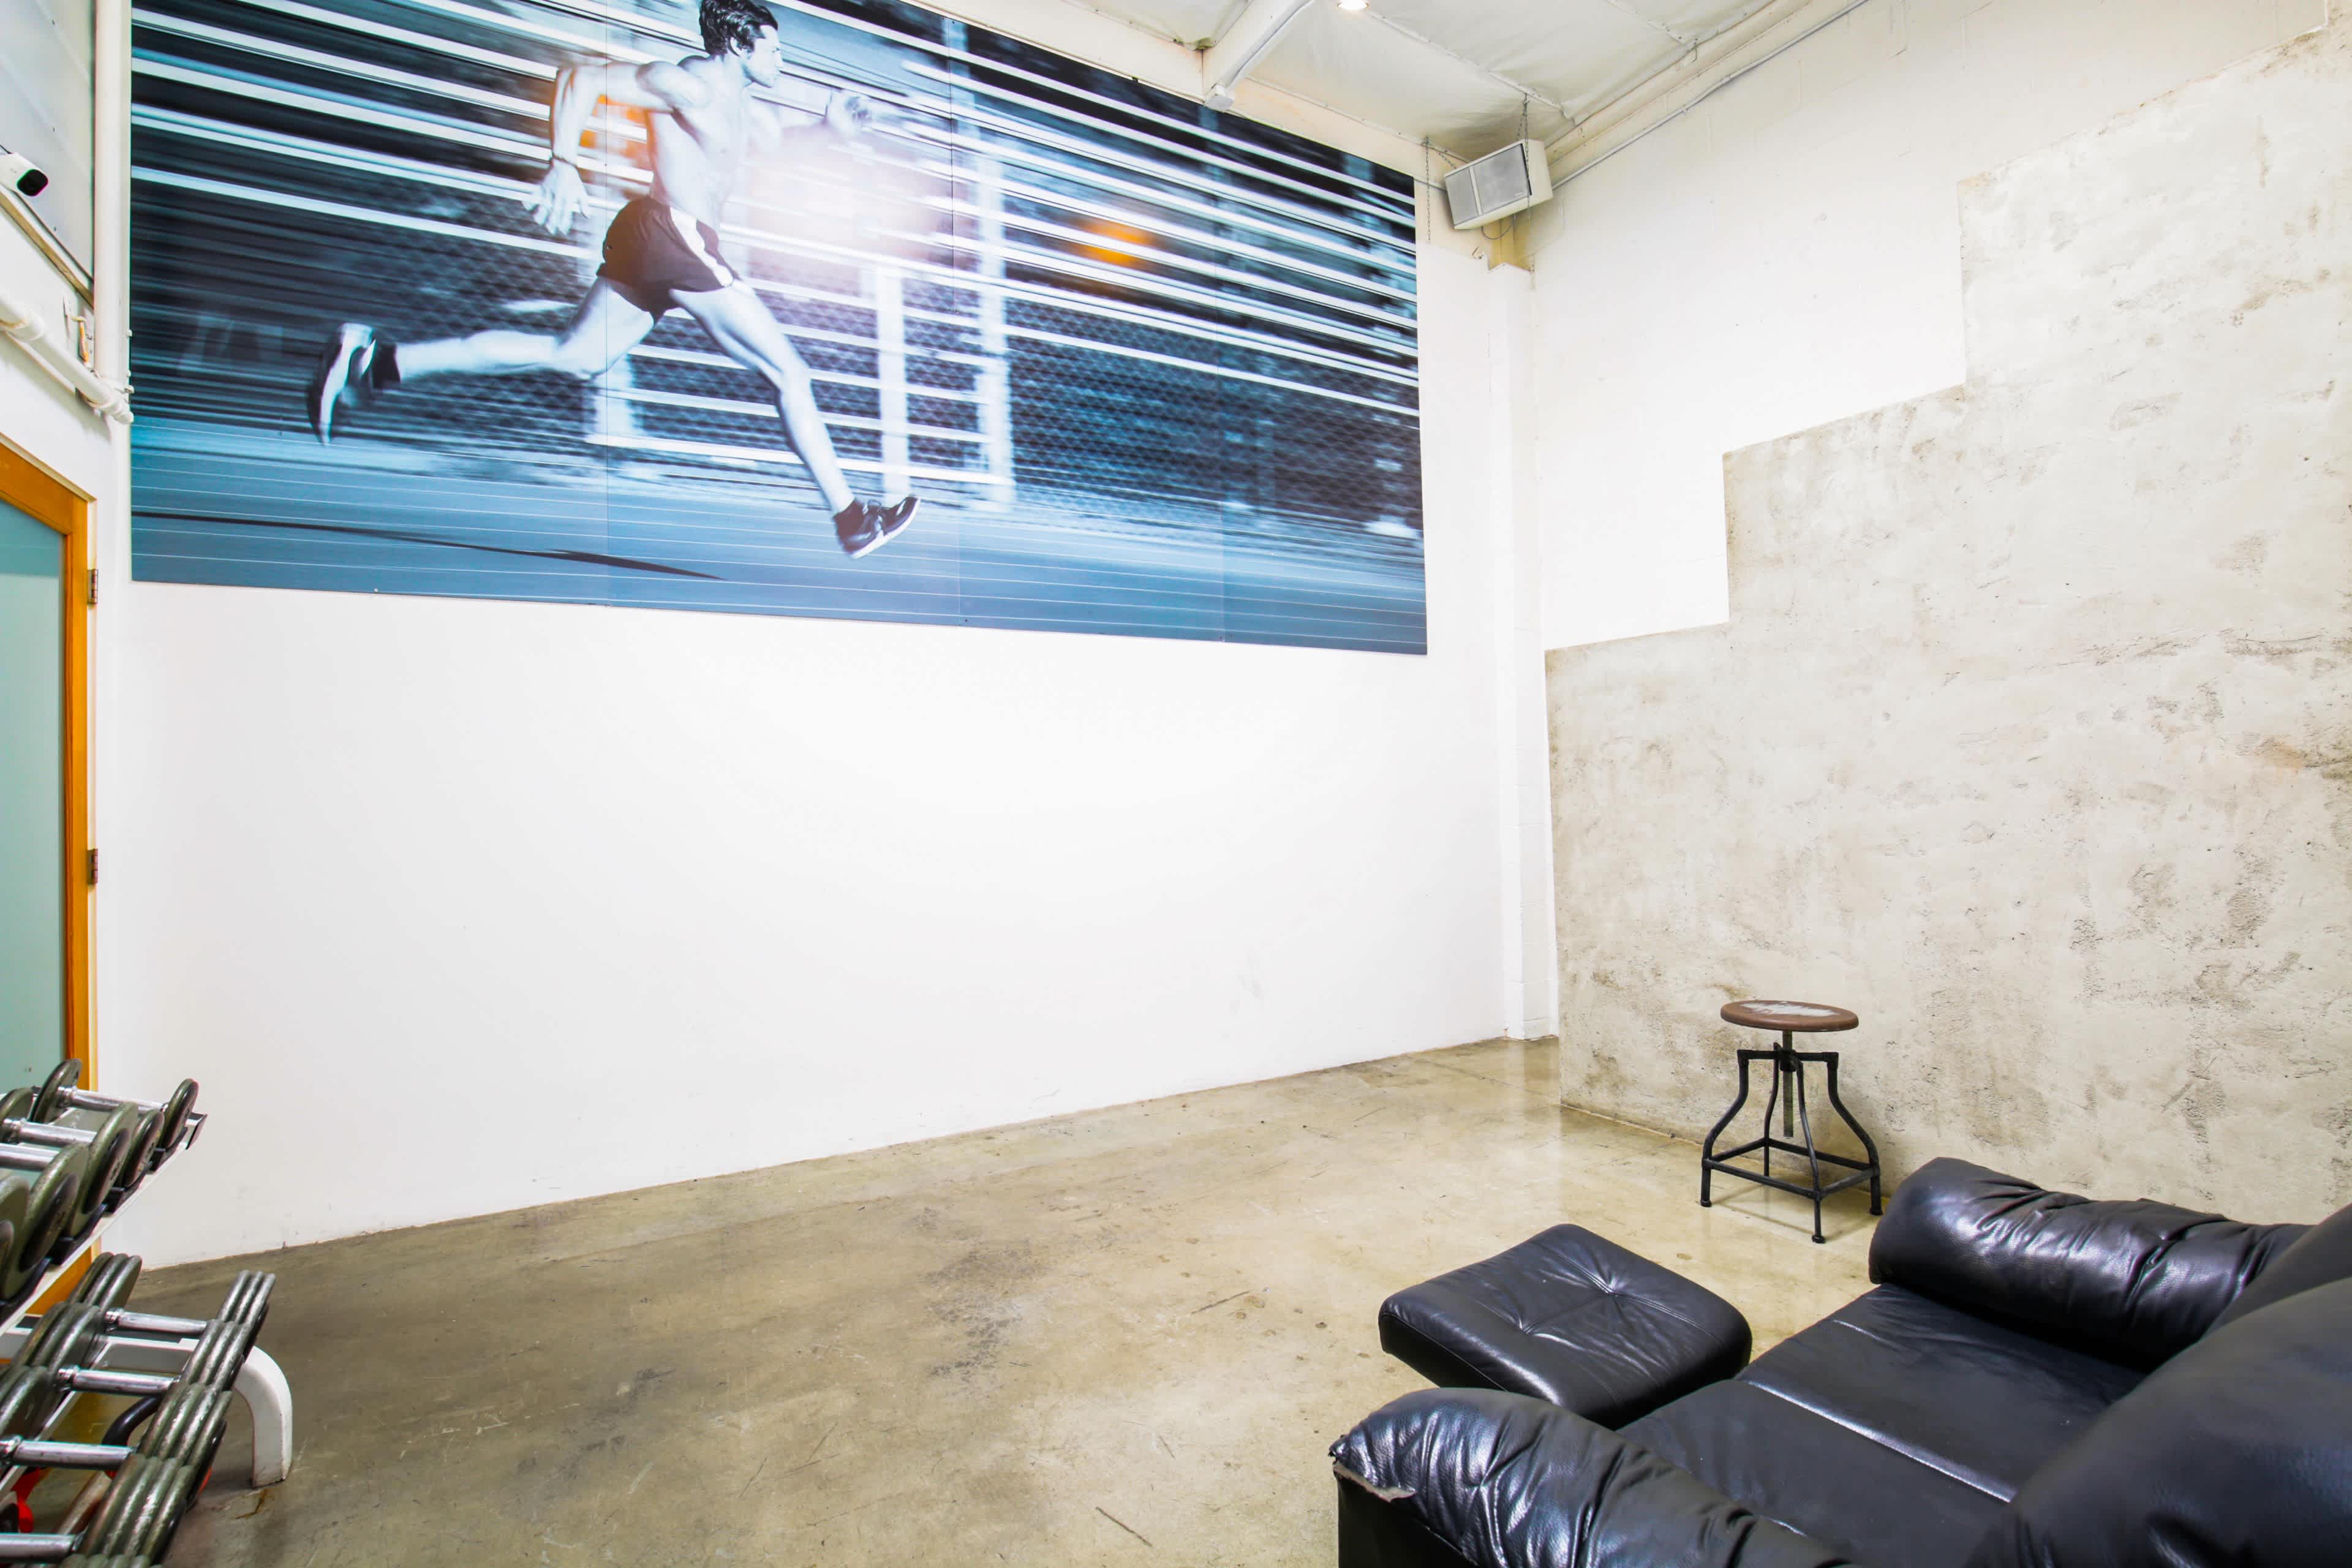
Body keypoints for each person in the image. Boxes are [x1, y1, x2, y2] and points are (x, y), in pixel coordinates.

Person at [306, 0, 917, 558]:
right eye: (776, 48)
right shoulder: (688, 82)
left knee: (572, 355)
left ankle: (377, 363)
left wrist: (831, 132)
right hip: (674, 234)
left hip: (664, 239)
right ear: (738, 45)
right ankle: (851, 519)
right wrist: (563, 163)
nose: (783, 59)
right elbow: (581, 76)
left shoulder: (746, 110)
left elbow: (777, 146)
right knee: (790, 372)